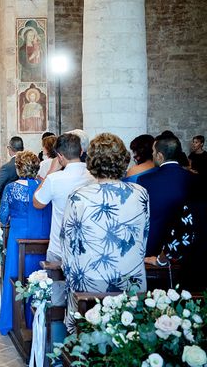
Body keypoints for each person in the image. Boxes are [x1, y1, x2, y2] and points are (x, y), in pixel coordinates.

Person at [62, 133, 149, 332]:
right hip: (131, 280)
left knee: (85, 337)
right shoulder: (140, 193)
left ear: (91, 161)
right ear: (123, 160)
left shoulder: (78, 196)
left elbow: (68, 245)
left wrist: (71, 282)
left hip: (90, 283)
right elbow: (143, 237)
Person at [0, 151, 51, 336]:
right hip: (42, 236)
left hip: (18, 237)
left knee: (15, 273)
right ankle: (37, 318)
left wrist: (8, 220)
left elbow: (3, 216)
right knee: (38, 274)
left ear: (18, 167)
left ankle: (12, 319)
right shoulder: (43, 186)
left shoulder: (11, 188)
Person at [33, 133, 94, 264]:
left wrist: (51, 171)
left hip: (60, 248)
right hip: (88, 247)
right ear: (81, 151)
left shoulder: (54, 179)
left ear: (60, 156)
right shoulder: (94, 177)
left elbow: (37, 203)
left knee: (58, 284)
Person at [138, 134, 196, 256]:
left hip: (153, 247)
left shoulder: (145, 180)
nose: (152, 155)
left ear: (160, 156)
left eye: (154, 152)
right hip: (187, 248)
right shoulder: (194, 179)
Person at [0, 136, 24, 201]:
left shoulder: (6, 167)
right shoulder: (30, 163)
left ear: (10, 148)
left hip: (11, 201)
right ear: (23, 148)